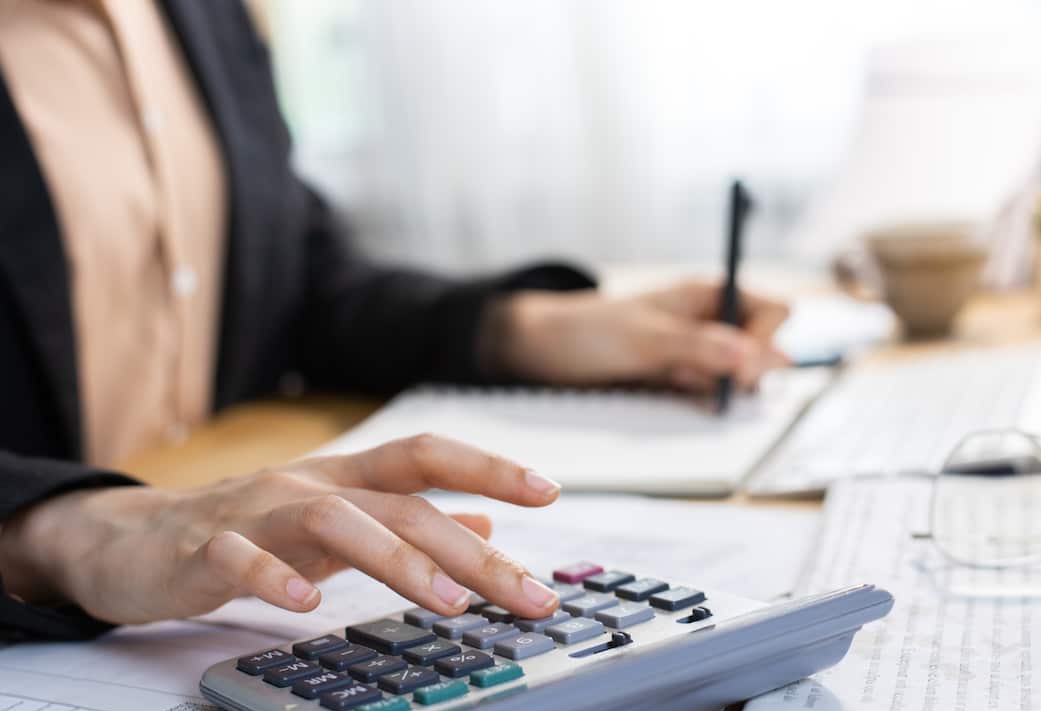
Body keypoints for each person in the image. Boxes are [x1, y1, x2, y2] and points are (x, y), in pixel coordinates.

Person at [0, 0, 789, 642]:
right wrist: (63, 531)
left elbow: (293, 280)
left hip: (209, 603)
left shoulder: (199, 13)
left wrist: (527, 330)